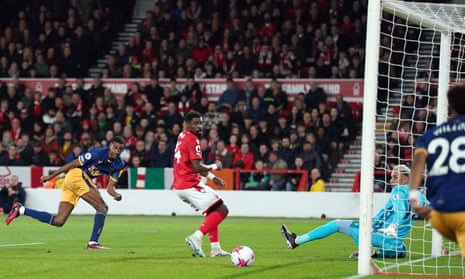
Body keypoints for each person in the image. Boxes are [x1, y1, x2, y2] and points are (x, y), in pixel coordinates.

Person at [5, 136, 126, 250]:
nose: (117, 151)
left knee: (59, 221)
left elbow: (110, 188)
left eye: (120, 149)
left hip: (78, 181)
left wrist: (116, 195)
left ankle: (21, 210)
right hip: (77, 176)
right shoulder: (97, 153)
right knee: (102, 208)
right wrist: (51, 176)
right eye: (115, 148)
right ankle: (93, 242)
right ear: (110, 146)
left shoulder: (119, 165)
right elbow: (73, 164)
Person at [282, 165, 428, 258]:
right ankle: (372, 253)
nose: (391, 180)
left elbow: (400, 210)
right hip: (396, 244)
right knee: (401, 249)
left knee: (336, 224)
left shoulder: (398, 190)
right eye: (391, 176)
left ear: (405, 178)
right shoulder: (419, 195)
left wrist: (393, 226)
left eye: (395, 177)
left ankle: (296, 240)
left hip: (375, 234)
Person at [409, 83, 465, 257]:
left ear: (449, 107)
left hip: (438, 216)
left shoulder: (430, 135)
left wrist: (414, 200)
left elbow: (417, 164)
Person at [172, 111, 230, 258]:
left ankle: (215, 248)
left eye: (200, 123)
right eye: (196, 123)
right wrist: (215, 166)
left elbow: (191, 165)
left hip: (181, 185)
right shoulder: (192, 139)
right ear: (187, 123)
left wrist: (212, 177)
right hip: (189, 184)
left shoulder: (182, 136)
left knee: (213, 210)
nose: (199, 126)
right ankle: (196, 236)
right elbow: (197, 167)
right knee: (222, 209)